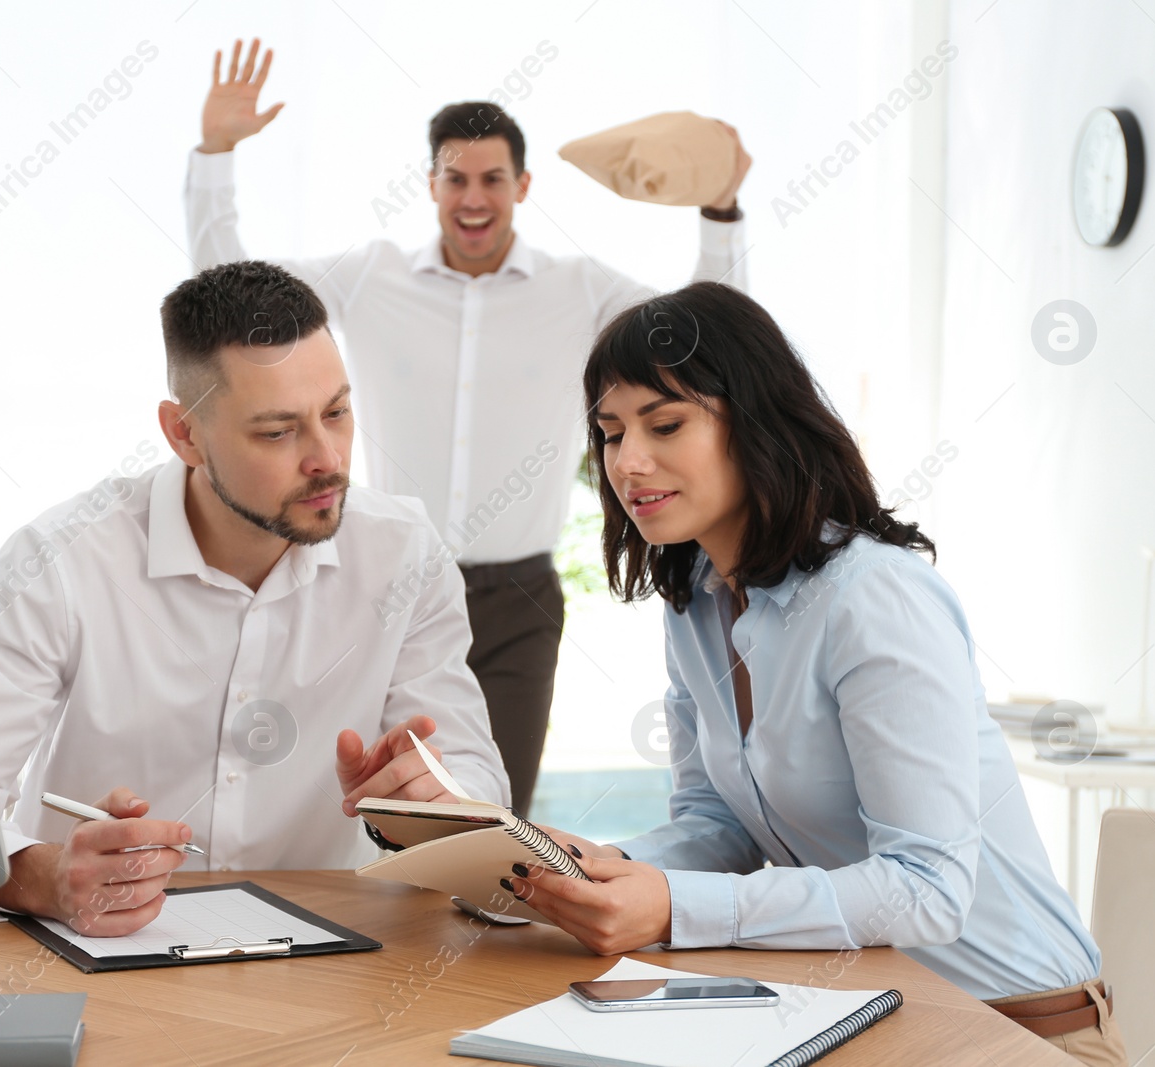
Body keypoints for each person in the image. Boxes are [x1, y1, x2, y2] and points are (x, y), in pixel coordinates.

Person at [508, 282, 1128, 1066]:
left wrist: (676, 907)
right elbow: (721, 827)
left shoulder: (874, 598)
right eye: (608, 432)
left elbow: (926, 887)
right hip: (867, 1021)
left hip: (1020, 1032)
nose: (627, 462)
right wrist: (599, 867)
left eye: (665, 424)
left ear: (756, 424)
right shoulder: (695, 603)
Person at [184, 37, 753, 814]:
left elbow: (709, 338)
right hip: (387, 580)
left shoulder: (576, 287)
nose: (473, 197)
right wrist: (215, 155)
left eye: (492, 178)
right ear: (431, 184)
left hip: (518, 595)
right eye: (456, 178)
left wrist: (720, 208)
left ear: (523, 184)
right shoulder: (372, 275)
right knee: (366, 800)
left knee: (495, 818)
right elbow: (234, 303)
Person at [0, 260, 510, 936]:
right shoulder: (59, 562)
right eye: (277, 431)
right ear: (184, 434)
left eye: (337, 413)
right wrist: (45, 876)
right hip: (94, 962)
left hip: (330, 964)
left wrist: (437, 806)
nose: (327, 457)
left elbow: (476, 780)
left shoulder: (404, 556)